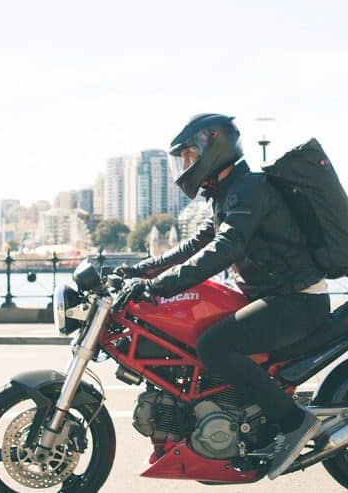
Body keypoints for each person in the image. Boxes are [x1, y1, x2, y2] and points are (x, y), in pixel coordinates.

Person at [117, 113, 328, 479]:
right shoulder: (227, 194)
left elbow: (225, 249)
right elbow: (194, 246)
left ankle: (294, 423)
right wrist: (138, 271)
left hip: (297, 300)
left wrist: (160, 286)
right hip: (271, 296)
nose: (185, 165)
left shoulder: (251, 188)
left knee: (213, 345)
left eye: (188, 155)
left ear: (211, 148)